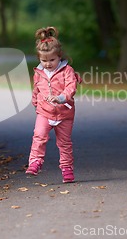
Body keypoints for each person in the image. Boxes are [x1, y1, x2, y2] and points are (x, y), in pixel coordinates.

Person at [26, 26, 80, 183]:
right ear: (39, 59)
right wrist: (35, 100)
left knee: (64, 143)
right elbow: (37, 88)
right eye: (44, 60)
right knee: (39, 136)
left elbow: (71, 87)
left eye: (52, 60)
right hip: (44, 111)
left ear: (59, 56)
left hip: (64, 113)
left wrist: (61, 97)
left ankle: (67, 168)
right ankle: (35, 162)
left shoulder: (67, 70)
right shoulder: (39, 72)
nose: (48, 64)